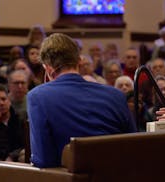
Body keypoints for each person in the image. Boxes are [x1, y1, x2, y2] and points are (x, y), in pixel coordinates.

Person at [27, 33, 136, 168]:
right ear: (79, 61)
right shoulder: (116, 95)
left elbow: (43, 160)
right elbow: (134, 148)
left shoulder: (38, 97)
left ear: (47, 68)